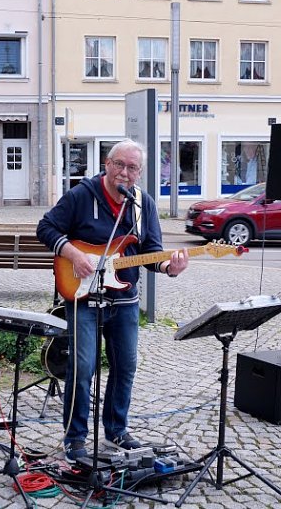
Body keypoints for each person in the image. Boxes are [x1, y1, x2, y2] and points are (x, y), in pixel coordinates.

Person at [36, 138, 189, 464]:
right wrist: (73, 254)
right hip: (83, 296)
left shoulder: (142, 204)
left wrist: (167, 266)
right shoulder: (82, 195)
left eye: (132, 167)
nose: (125, 172)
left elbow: (149, 252)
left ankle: (117, 429)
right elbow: (46, 227)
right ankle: (75, 439)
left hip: (124, 300)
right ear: (107, 164)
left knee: (126, 366)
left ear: (139, 172)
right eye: (119, 164)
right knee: (83, 367)